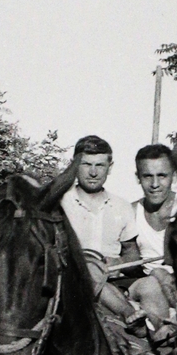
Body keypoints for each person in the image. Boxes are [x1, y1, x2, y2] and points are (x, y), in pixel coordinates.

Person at [61, 135, 143, 326]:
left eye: (100, 165)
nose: (93, 172)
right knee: (89, 270)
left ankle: (161, 338)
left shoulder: (121, 206)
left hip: (114, 282)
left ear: (110, 167)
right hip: (72, 282)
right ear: (74, 165)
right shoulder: (61, 203)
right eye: (86, 164)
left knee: (151, 285)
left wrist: (121, 262)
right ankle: (129, 315)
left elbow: (132, 254)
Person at [127, 143, 177, 341]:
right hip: (147, 288)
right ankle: (164, 335)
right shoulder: (130, 212)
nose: (155, 184)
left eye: (162, 176)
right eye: (147, 176)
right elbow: (127, 259)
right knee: (151, 281)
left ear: (173, 176)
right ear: (138, 178)